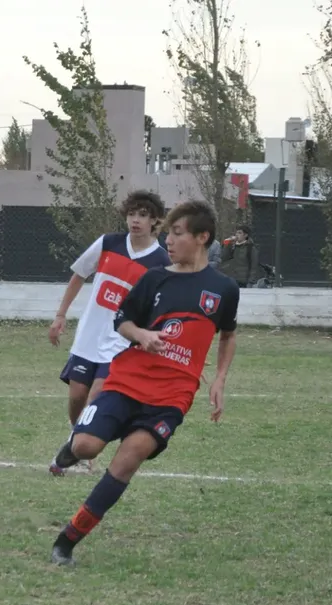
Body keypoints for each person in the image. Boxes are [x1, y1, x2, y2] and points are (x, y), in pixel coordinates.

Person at [48, 200, 240, 567]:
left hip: (172, 395)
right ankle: (72, 449)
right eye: (167, 232)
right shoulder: (154, 278)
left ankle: (67, 541)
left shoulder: (224, 288)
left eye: (177, 233)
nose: (168, 239)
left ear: (202, 237)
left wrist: (219, 379)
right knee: (87, 446)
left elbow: (228, 335)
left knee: (128, 458)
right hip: (128, 379)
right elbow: (122, 321)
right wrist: (143, 334)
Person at [48, 190, 170, 474]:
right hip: (89, 335)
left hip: (122, 341)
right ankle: (79, 436)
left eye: (143, 215)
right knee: (77, 395)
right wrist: (60, 315)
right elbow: (79, 274)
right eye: (131, 214)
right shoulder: (108, 243)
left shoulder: (161, 262)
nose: (135, 220)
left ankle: (73, 452)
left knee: (96, 394)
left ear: (154, 221)